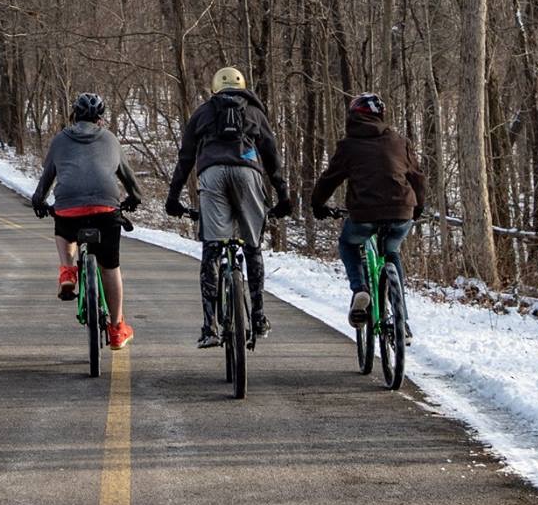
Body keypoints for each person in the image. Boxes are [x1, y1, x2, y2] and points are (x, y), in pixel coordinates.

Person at [164, 66, 292, 347]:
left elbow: (186, 158)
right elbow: (271, 156)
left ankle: (210, 326)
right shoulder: (254, 112)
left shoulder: (203, 112)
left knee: (212, 247)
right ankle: (257, 316)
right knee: (252, 247)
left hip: (212, 174)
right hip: (248, 174)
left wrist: (173, 198)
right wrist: (283, 195)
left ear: (215, 89)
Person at [30, 93, 143, 349]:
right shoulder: (110, 139)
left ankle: (67, 270)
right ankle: (116, 329)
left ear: (74, 115)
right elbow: (127, 177)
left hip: (69, 209)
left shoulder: (60, 139)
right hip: (106, 209)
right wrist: (135, 198)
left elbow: (47, 177)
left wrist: (39, 200)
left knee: (63, 226)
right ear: (100, 118)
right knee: (110, 267)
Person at [310, 92, 425, 326]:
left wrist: (317, 204)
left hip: (364, 215)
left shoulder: (349, 146)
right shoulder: (400, 142)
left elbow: (329, 179)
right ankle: (402, 319)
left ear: (354, 117)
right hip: (401, 212)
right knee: (391, 251)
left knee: (348, 244)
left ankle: (360, 288)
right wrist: (418, 207)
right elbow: (418, 179)